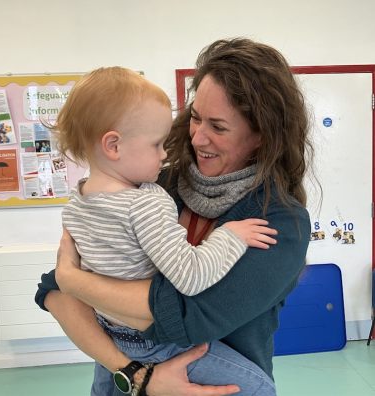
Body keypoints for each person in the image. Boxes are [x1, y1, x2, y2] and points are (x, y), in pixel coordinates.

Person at [36, 37, 313, 396]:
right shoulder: (154, 185)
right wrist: (135, 375)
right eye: (196, 117)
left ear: (261, 136)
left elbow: (183, 316)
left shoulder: (279, 222)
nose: (197, 138)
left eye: (219, 126)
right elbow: (52, 290)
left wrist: (76, 282)